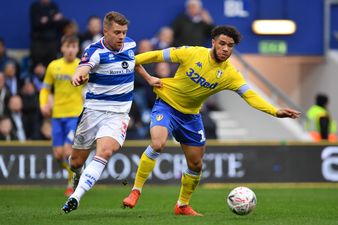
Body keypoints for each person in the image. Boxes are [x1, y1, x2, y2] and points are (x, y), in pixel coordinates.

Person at [122, 25, 301, 216]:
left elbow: (250, 96)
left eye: (230, 46)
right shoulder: (190, 53)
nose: (225, 49)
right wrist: (145, 75)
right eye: (222, 43)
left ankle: (182, 205)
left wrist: (275, 111)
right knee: (158, 144)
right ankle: (135, 191)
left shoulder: (230, 74)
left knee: (196, 165)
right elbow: (152, 56)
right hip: (166, 105)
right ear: (213, 42)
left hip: (190, 117)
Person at [61, 11, 162, 214]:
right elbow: (82, 68)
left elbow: (135, 62)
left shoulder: (130, 45)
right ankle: (77, 175)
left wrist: (149, 78)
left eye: (124, 32)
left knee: (105, 151)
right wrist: (77, 77)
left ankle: (76, 196)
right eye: (117, 32)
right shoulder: (94, 51)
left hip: (118, 114)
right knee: (76, 162)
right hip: (93, 111)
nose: (121, 37)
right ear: (105, 31)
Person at [39, 35, 84, 196]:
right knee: (58, 155)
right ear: (62, 48)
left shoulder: (82, 66)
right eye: (68, 46)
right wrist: (43, 103)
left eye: (74, 46)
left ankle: (71, 185)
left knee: (67, 152)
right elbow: (45, 88)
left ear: (77, 48)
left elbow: (91, 86)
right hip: (57, 115)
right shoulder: (53, 66)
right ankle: (76, 174)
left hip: (74, 115)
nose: (71, 49)